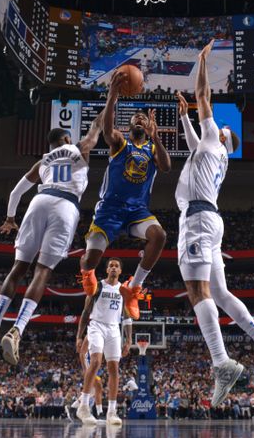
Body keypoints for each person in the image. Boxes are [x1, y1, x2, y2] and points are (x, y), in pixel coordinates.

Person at [174, 41, 254, 408]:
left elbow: (203, 93)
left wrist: (202, 61)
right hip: (212, 219)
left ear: (222, 137)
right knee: (220, 294)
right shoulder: (213, 149)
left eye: (220, 126)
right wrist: (182, 117)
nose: (218, 124)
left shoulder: (215, 140)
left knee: (197, 291)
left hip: (198, 220)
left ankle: (222, 363)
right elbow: (193, 144)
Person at [0, 114, 105, 364]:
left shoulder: (43, 162)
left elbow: (16, 191)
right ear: (66, 139)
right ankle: (16, 331)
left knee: (18, 268)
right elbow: (94, 134)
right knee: (42, 272)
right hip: (65, 206)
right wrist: (105, 110)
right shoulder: (78, 149)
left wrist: (10, 218)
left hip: (38, 202)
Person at [79, 70, 172, 320]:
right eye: (136, 118)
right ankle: (86, 271)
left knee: (159, 236)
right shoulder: (120, 142)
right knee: (92, 258)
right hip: (110, 208)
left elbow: (166, 167)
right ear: (130, 125)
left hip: (137, 211)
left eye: (144, 118)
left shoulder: (152, 148)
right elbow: (108, 131)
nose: (140, 120)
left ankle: (132, 289)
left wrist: (157, 138)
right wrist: (112, 96)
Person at [75, 258, 133, 426]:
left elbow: (127, 317)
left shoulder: (124, 290)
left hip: (114, 329)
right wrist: (79, 336)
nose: (113, 268)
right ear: (107, 270)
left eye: (116, 266)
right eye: (111, 266)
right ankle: (84, 406)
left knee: (114, 368)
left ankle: (112, 412)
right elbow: (85, 312)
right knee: (96, 361)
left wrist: (128, 340)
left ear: (120, 271)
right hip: (96, 326)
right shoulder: (97, 286)